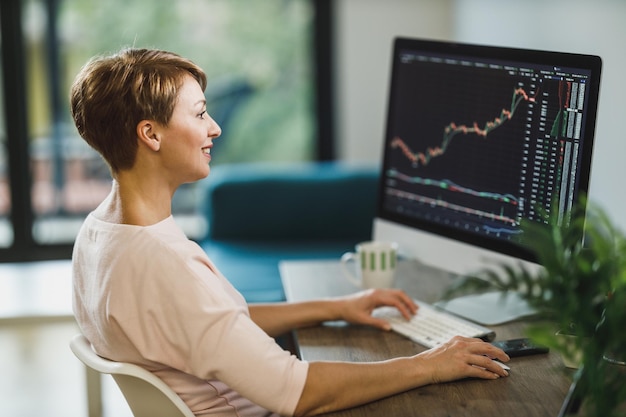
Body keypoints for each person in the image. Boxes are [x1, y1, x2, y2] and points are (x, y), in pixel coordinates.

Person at [70, 48, 510, 417]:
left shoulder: (100, 234)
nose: (214, 128)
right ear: (150, 134)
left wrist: (337, 306)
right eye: (200, 113)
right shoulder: (164, 263)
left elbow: (211, 322)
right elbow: (298, 391)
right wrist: (430, 364)